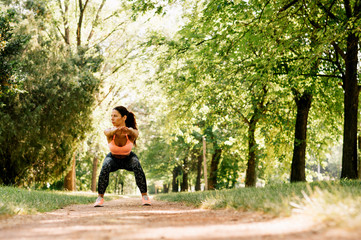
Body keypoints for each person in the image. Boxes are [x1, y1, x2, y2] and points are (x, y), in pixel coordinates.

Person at [94, 106, 151, 207]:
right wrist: (115, 131)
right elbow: (107, 132)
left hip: (128, 158)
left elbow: (136, 133)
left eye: (115, 116)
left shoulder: (131, 132)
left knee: (136, 164)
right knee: (105, 165)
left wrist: (129, 131)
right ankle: (100, 197)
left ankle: (145, 196)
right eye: (111, 116)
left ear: (124, 117)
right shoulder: (110, 131)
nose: (112, 118)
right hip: (113, 158)